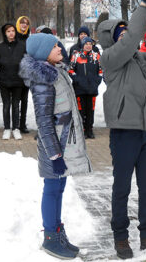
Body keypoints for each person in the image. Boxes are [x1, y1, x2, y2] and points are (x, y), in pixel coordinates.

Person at [97, 0, 146, 259]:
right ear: (112, 39)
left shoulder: (138, 58)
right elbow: (133, 36)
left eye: (127, 32)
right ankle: (121, 237)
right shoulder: (110, 58)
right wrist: (145, 5)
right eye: (122, 33)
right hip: (124, 133)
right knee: (122, 187)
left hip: (145, 132)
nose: (128, 36)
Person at [19, 33, 92, 259]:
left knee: (59, 189)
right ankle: (50, 237)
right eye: (54, 46)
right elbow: (43, 121)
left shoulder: (56, 70)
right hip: (54, 145)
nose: (60, 48)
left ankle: (58, 231)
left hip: (63, 143)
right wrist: (54, 155)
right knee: (52, 190)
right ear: (43, 52)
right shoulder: (43, 79)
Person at [0, 23, 26, 140]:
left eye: (13, 30)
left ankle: (16, 128)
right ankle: (7, 128)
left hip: (18, 80)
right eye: (8, 31)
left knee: (16, 105)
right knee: (6, 105)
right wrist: (2, 62)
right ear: (5, 33)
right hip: (4, 80)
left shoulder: (22, 46)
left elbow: (26, 60)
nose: (11, 33)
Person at [69, 36, 103, 139]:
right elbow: (70, 70)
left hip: (92, 88)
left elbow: (101, 71)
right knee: (81, 110)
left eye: (90, 44)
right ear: (83, 45)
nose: (88, 46)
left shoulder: (96, 56)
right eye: (86, 44)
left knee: (90, 110)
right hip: (79, 89)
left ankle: (90, 129)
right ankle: (82, 130)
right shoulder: (76, 55)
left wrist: (97, 81)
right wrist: (77, 80)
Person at [16, 15, 31, 133]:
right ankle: (15, 123)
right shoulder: (14, 37)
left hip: (26, 74)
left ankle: (22, 124)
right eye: (22, 22)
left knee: (24, 101)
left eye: (26, 23)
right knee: (15, 100)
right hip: (15, 73)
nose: (24, 25)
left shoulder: (29, 39)